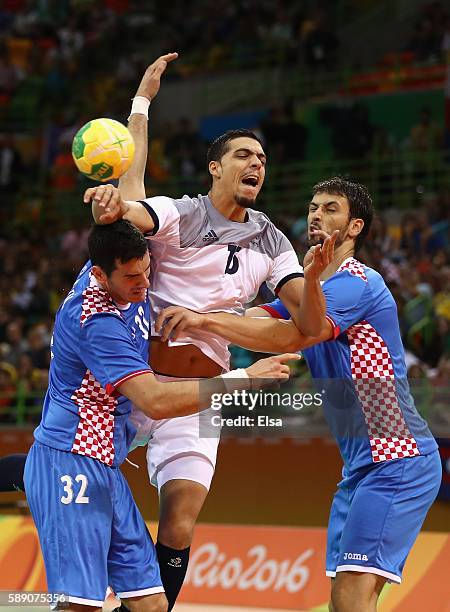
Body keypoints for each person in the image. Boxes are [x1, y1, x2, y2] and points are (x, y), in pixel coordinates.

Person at [83, 52, 322, 612]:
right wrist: (140, 110)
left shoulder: (271, 242)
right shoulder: (183, 215)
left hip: (197, 399)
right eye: (243, 154)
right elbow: (134, 206)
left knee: (181, 521)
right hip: (137, 387)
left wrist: (313, 275)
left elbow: (309, 326)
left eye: (261, 157)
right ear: (216, 167)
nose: (256, 163)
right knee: (69, 476)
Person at [157, 177, 442, 612]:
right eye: (313, 206)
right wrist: (204, 308)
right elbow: (254, 319)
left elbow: (292, 336)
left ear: (354, 228)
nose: (316, 214)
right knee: (344, 601)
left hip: (397, 457)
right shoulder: (305, 289)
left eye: (331, 209)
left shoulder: (358, 284)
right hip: (359, 467)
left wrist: (204, 321)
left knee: (350, 598)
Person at [24, 218, 297, 612]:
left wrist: (123, 177)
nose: (145, 285)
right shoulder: (99, 323)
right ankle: (30, 479)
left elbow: (128, 209)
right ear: (98, 274)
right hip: (72, 463)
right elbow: (154, 401)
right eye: (132, 277)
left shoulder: (115, 263)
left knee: (152, 604)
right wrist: (243, 378)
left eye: (147, 272)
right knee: (79, 605)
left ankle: (25, 477)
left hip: (107, 465)